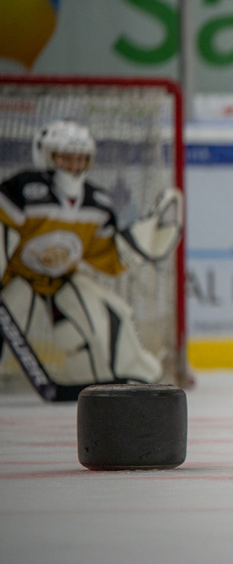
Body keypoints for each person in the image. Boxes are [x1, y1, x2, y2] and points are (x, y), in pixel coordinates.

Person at [0, 120, 181, 397]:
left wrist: (139, 245)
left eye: (80, 159)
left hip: (61, 280)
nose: (73, 165)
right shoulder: (22, 189)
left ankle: (127, 377)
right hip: (15, 280)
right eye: (65, 157)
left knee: (114, 312)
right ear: (46, 156)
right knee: (16, 302)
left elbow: (106, 259)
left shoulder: (97, 203)